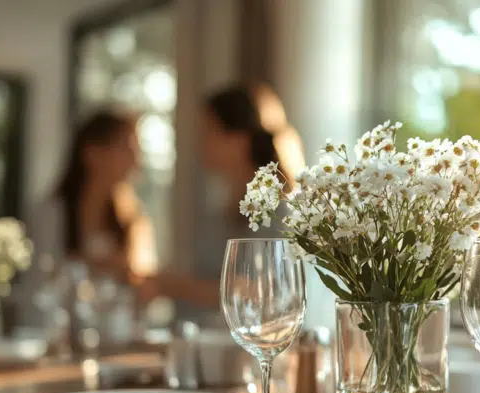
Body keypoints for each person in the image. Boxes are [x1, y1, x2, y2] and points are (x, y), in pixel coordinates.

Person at [144, 83, 303, 306]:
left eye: (209, 132)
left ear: (240, 139)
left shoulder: (280, 215)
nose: (200, 144)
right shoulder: (222, 211)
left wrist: (173, 286)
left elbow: (266, 297)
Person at [56, 110, 157, 281]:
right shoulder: (53, 214)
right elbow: (40, 278)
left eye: (136, 150)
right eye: (126, 148)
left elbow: (145, 283)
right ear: (91, 152)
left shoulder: (133, 219)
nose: (135, 160)